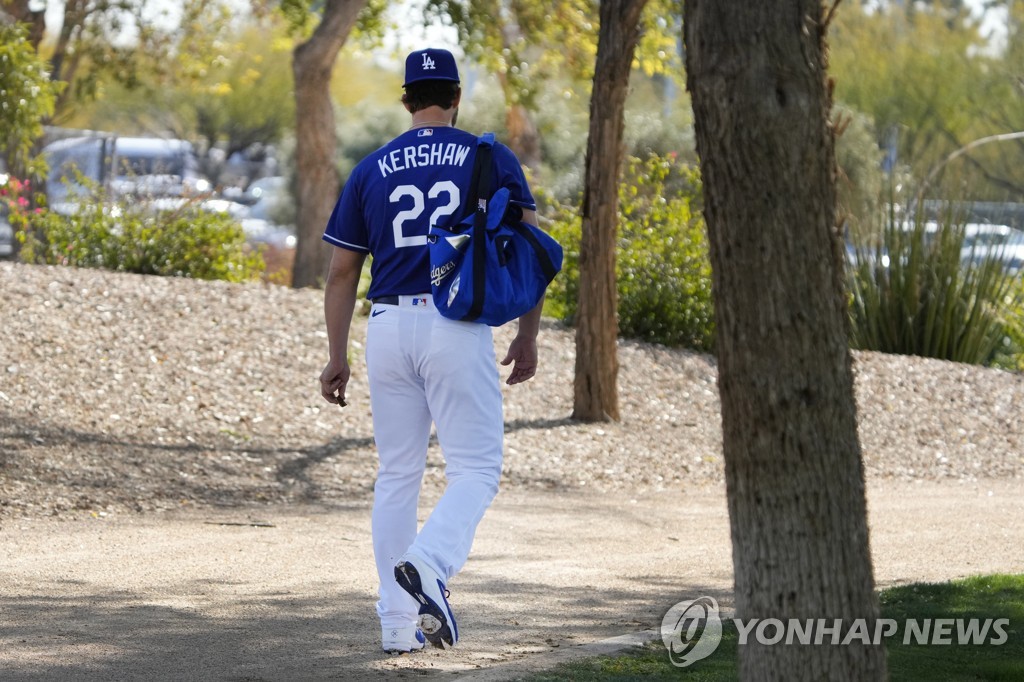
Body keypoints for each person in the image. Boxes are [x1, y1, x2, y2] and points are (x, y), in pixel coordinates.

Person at [318, 47, 544, 654]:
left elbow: (342, 273)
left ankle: (396, 627)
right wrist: (527, 333)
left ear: (407, 101)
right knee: (476, 469)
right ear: (456, 97)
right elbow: (523, 250)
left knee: (396, 475)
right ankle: (431, 562)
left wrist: (335, 354)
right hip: (453, 322)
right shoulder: (486, 156)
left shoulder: (372, 167)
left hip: (387, 325)